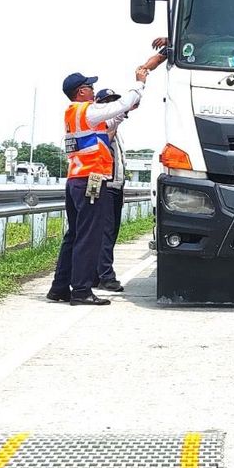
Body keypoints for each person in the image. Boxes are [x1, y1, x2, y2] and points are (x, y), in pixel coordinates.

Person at [46, 66, 147, 305]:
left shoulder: (75, 114)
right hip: (92, 181)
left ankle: (59, 287)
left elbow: (115, 117)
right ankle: (81, 291)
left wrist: (127, 109)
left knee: (74, 235)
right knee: (89, 237)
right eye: (90, 87)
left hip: (75, 180)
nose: (93, 90)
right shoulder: (88, 111)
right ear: (81, 91)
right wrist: (140, 82)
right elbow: (120, 105)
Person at [94, 88, 128, 292]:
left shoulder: (114, 128)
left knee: (112, 231)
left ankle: (99, 273)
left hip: (115, 184)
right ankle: (105, 275)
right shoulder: (98, 126)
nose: (111, 106)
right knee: (105, 232)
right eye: (107, 102)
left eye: (114, 102)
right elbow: (103, 140)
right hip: (104, 184)